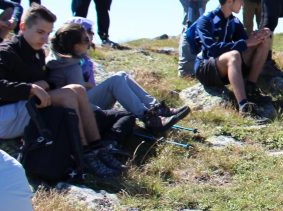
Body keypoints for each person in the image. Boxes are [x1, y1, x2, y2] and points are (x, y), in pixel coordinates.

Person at [0, 5, 121, 176]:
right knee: (68, 96)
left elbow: (45, 82)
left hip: (22, 109)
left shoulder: (36, 53)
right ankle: (84, 155)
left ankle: (96, 149)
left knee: (78, 90)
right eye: (40, 32)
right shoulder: (5, 51)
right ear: (23, 27)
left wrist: (46, 84)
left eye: (48, 33)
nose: (45, 38)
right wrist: (29, 89)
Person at [47, 22, 189, 130]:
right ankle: (149, 118)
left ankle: (156, 108)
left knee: (121, 75)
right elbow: (79, 98)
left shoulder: (66, 61)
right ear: (75, 45)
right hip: (81, 112)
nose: (89, 41)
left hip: (84, 106)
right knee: (116, 81)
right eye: (85, 39)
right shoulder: (70, 66)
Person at [189, 0, 273, 121]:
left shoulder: (234, 22)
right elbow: (213, 49)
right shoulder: (206, 21)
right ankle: (244, 107)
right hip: (206, 68)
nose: (243, 3)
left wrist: (259, 35)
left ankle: (250, 88)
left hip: (226, 66)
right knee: (233, 55)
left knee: (264, 42)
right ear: (229, 1)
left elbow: (246, 43)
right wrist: (245, 43)